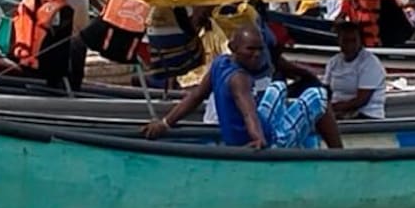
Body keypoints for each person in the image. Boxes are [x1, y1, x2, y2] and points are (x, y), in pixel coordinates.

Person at [143, 28, 342, 149]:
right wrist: (258, 139)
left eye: (259, 49)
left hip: (261, 130)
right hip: (271, 142)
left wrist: (165, 123)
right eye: (250, 49)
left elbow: (196, 96)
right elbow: (248, 113)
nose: (256, 55)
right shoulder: (240, 79)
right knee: (319, 96)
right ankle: (339, 157)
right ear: (233, 47)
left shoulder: (219, 63)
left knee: (278, 87)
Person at [322, 21, 386, 119]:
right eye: (345, 41)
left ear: (360, 41)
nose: (349, 45)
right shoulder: (333, 62)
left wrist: (333, 108)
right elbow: (326, 90)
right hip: (337, 112)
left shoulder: (370, 63)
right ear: (339, 41)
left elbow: (361, 100)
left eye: (353, 40)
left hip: (365, 114)